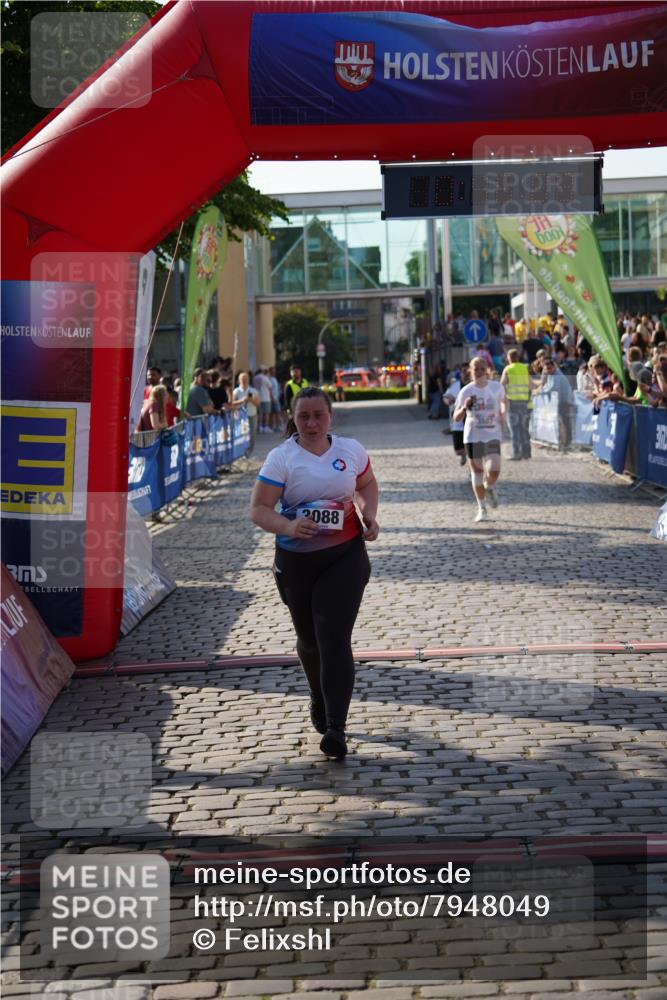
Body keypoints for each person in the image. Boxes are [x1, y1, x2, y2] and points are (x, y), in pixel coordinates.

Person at [249, 387, 379, 760]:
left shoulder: (350, 450)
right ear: (293, 417)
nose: (310, 423)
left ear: (330, 416)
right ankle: (318, 693)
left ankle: (336, 727)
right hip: (296, 561)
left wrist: (368, 514)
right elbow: (258, 509)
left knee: (333, 635)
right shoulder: (282, 458)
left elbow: (367, 485)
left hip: (346, 554)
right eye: (303, 416)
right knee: (309, 641)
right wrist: (288, 527)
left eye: (318, 415)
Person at [453, 356, 507, 522]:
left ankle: (489, 487)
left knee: (494, 470)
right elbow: (456, 417)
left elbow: (504, 402)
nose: (479, 372)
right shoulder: (466, 391)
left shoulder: (496, 387)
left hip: (492, 434)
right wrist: (464, 406)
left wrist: (504, 413)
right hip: (473, 435)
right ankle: (481, 508)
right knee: (477, 472)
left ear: (487, 370)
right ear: (470, 371)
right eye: (475, 369)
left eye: (482, 369)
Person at [500, 348, 532, 461]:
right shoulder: (524, 368)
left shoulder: (508, 369)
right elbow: (530, 384)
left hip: (512, 403)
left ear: (510, 358)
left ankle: (516, 453)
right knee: (524, 428)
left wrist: (502, 399)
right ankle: (526, 452)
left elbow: (501, 385)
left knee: (514, 429)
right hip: (523, 403)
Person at [539, 357, 575, 450]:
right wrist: (541, 390)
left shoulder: (557, 375)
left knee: (565, 421)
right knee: (560, 421)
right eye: (547, 369)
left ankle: (568, 443)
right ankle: (561, 441)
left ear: (554, 366)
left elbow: (554, 388)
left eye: (550, 368)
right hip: (560, 401)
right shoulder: (552, 374)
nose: (548, 370)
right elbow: (548, 386)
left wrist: (540, 392)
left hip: (564, 401)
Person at [442, 364, 469, 465]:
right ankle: (464, 454)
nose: (466, 374)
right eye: (463, 371)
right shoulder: (455, 385)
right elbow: (445, 396)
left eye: (468, 371)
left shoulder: (475, 385)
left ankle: (471, 464)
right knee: (458, 450)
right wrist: (447, 401)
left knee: (472, 447)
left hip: (472, 422)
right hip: (458, 423)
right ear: (460, 373)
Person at [233, 371, 260, 452]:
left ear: (248, 380)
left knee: (252, 435)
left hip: (251, 415)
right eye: (242, 379)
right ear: (239, 380)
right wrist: (242, 400)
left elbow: (258, 403)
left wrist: (251, 399)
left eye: (246, 379)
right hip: (240, 416)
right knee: (241, 434)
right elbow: (232, 403)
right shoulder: (236, 391)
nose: (244, 381)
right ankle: (241, 451)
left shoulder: (253, 390)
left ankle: (249, 451)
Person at [254, 365, 273, 433]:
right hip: (266, 398)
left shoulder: (255, 377)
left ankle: (260, 426)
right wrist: (271, 397)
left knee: (260, 413)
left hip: (258, 397)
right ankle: (265, 427)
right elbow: (270, 388)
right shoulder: (265, 378)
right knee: (266, 413)